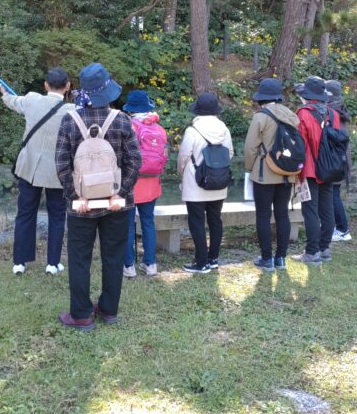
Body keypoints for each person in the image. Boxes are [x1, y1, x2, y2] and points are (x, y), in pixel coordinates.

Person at [55, 63, 141, 331]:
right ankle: (108, 309)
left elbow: (61, 164)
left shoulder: (70, 120)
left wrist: (74, 196)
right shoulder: (122, 120)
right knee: (113, 257)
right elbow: (134, 162)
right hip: (117, 204)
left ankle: (81, 314)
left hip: (81, 205)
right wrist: (121, 192)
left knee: (79, 258)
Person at [0, 67, 75, 276]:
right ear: (67, 86)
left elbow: (12, 101)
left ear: (45, 85)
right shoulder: (72, 111)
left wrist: (4, 92)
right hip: (57, 171)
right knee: (57, 216)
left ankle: (20, 262)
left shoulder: (32, 99)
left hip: (30, 167)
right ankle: (52, 263)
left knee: (25, 213)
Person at [244, 78, 300, 270]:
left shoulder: (260, 117)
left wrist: (249, 168)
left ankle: (266, 258)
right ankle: (281, 258)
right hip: (287, 171)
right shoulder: (292, 116)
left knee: (263, 215)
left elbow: (250, 147)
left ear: (261, 98)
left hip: (264, 173)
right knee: (283, 214)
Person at [178, 92, 234, 274]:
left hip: (196, 183)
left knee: (197, 222)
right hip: (218, 182)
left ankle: (201, 262)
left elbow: (184, 157)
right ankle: (213, 259)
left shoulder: (192, 131)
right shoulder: (224, 129)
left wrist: (182, 173)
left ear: (198, 111)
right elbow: (230, 153)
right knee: (215, 220)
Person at [294, 76, 341, 265]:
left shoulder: (303, 113)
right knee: (327, 209)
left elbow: (300, 144)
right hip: (329, 168)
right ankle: (324, 248)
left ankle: (312, 252)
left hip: (310, 169)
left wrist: (297, 169)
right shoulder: (333, 114)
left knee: (310, 210)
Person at [122, 90, 166, 278]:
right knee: (148, 222)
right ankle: (151, 265)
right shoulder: (159, 129)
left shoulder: (128, 127)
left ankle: (129, 266)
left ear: (131, 109)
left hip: (131, 184)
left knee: (128, 224)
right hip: (152, 184)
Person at [325, 80, 352, 242]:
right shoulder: (340, 108)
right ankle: (337, 227)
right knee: (333, 193)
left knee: (333, 194)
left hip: (336, 158)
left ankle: (342, 229)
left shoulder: (331, 111)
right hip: (342, 157)